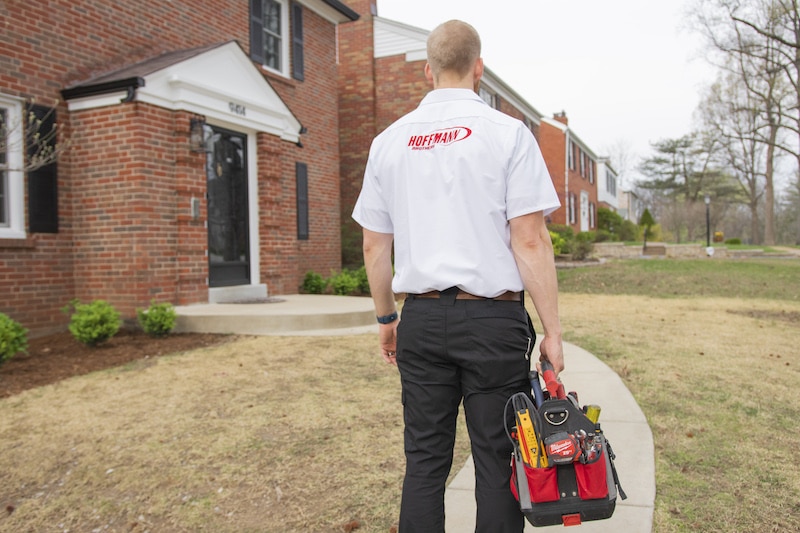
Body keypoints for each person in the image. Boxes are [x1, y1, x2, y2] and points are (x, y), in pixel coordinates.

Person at [352, 19, 564, 533]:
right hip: (492, 322)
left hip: (420, 321)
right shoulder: (507, 134)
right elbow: (530, 239)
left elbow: (375, 243)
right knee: (496, 462)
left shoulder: (388, 142)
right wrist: (553, 331)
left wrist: (386, 317)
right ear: (479, 68)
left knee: (424, 463)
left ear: (427, 71)